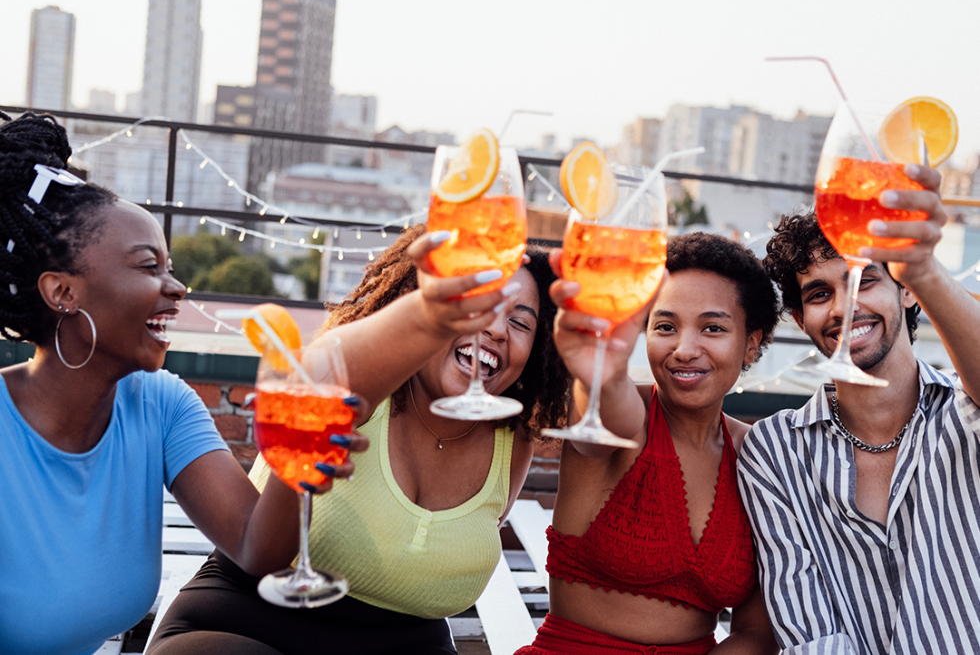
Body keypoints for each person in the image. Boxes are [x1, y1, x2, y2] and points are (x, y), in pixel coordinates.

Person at [0, 112, 366, 655]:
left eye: (169, 267)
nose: (176, 288)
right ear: (63, 292)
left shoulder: (162, 405)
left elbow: (254, 545)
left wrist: (298, 468)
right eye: (149, 267)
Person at [147, 224, 571, 654]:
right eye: (475, 304)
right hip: (248, 623)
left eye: (519, 322)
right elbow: (332, 363)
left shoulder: (513, 439)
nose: (495, 328)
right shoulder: (361, 379)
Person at [737, 163, 980, 654]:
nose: (843, 307)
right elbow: (810, 632)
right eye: (819, 293)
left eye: (864, 280)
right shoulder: (775, 451)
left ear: (907, 292)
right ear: (802, 320)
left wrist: (925, 267)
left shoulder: (965, 411)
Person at [517, 232, 780, 655]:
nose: (684, 349)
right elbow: (604, 409)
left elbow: (756, 632)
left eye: (712, 327)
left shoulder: (760, 458)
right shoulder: (624, 415)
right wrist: (600, 374)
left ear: (751, 343)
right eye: (665, 327)